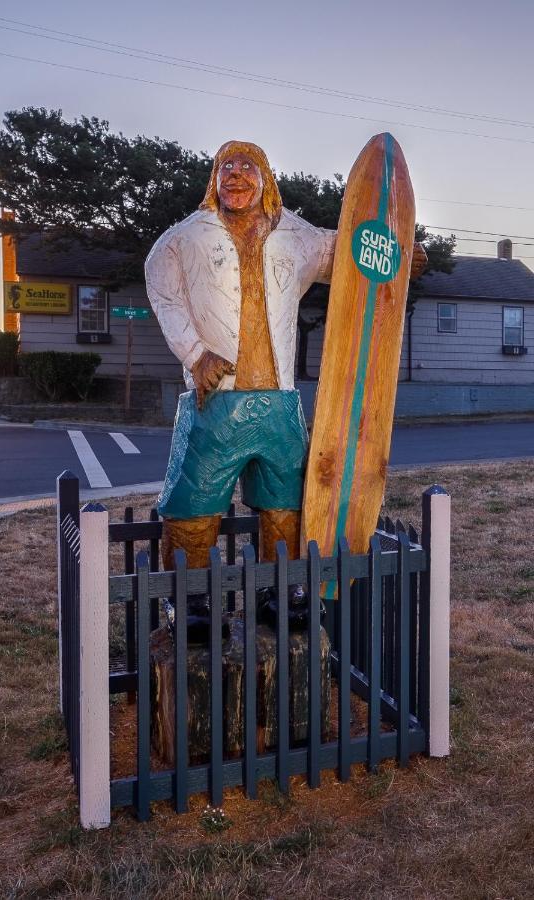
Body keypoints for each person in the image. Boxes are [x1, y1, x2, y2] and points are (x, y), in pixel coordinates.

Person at [145, 140, 426, 636]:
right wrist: (195, 354)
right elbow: (162, 288)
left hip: (279, 402)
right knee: (195, 502)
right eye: (225, 167)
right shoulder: (184, 238)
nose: (235, 175)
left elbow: (349, 251)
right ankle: (190, 601)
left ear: (266, 179)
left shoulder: (295, 234)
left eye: (246, 166)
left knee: (286, 503)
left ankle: (285, 590)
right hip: (216, 401)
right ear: (213, 179)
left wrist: (399, 254)